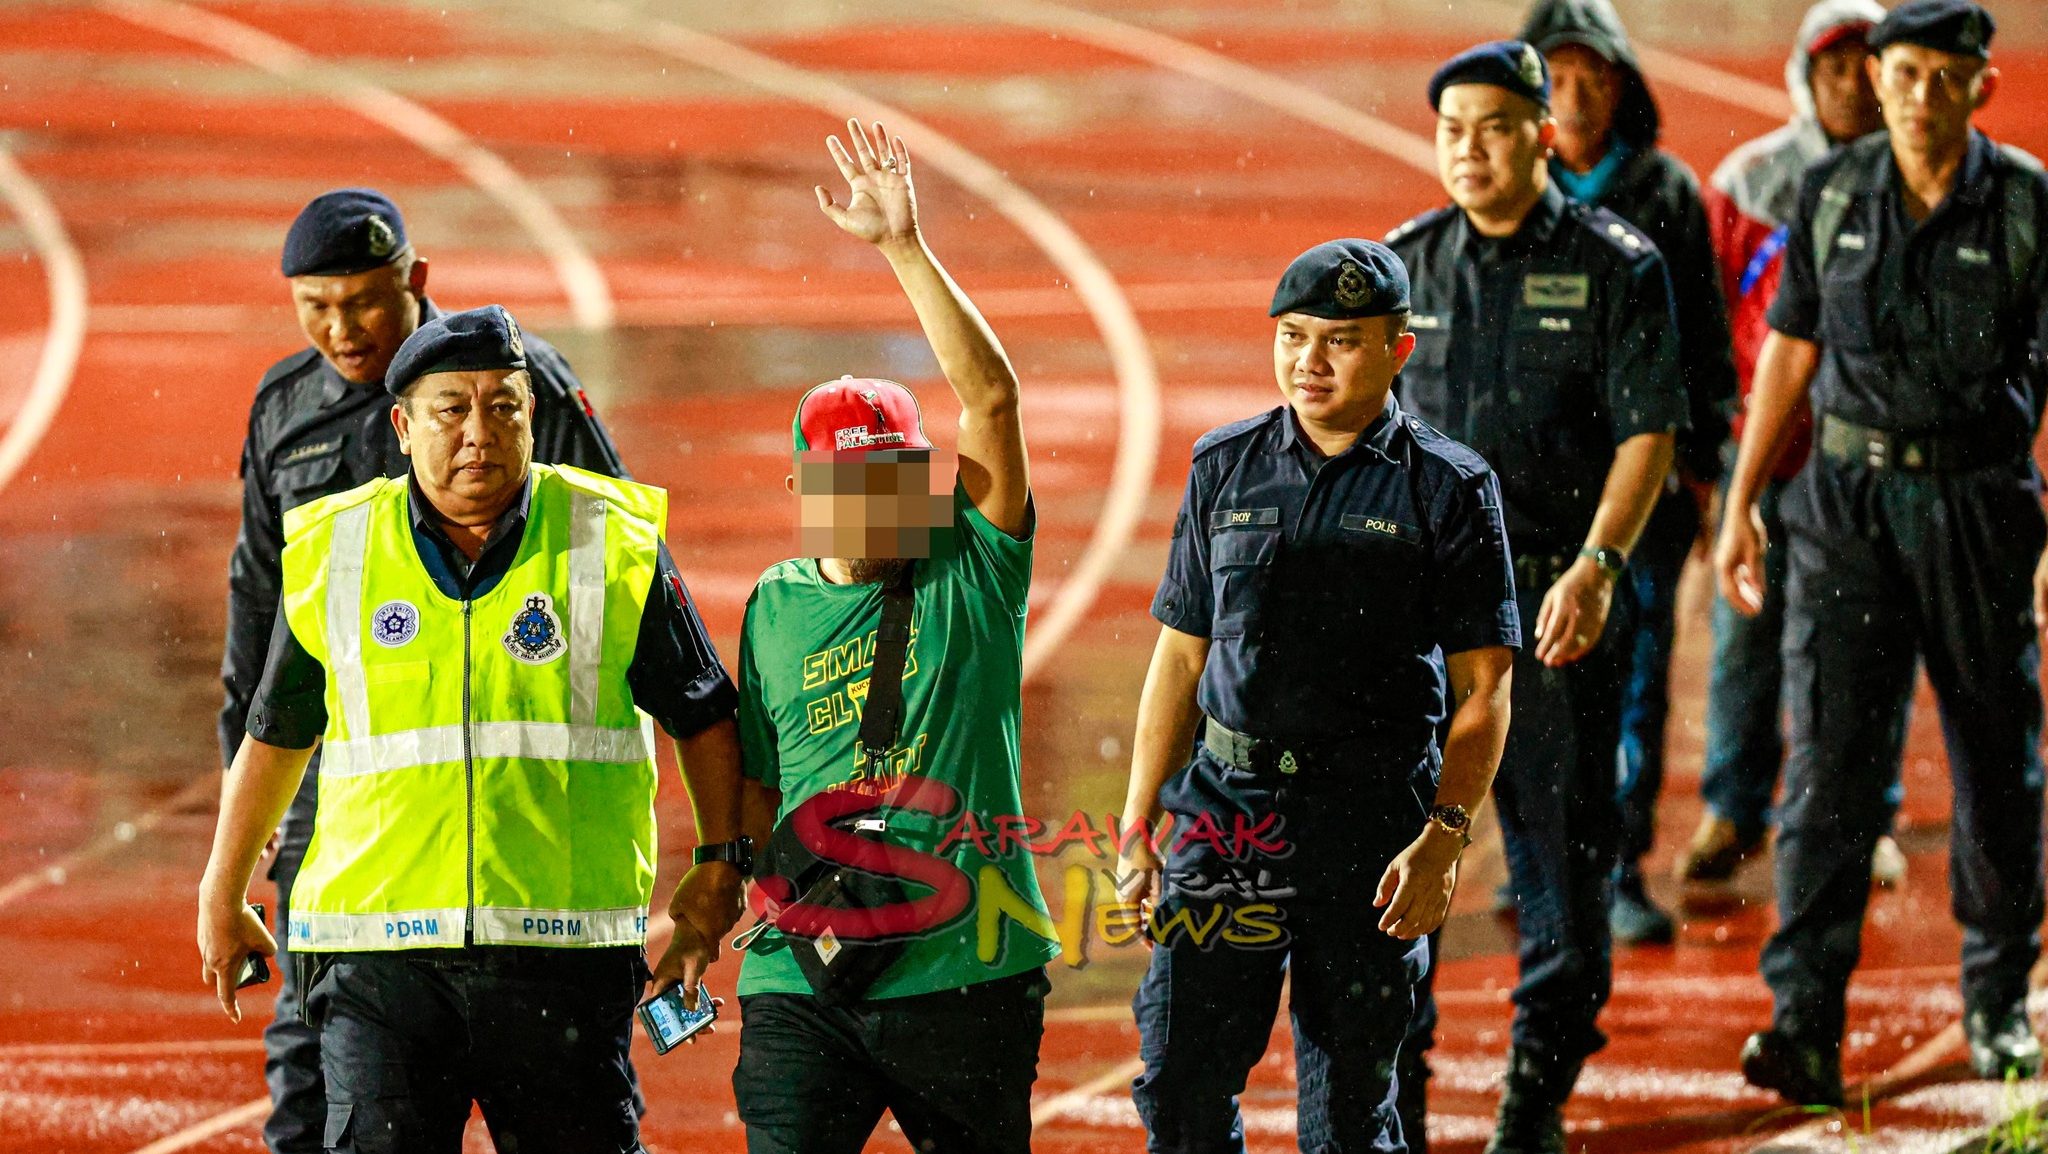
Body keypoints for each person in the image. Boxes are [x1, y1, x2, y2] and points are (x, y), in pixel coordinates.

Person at [196, 305, 748, 1153]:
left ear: (535, 417)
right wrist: (222, 888)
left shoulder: (609, 539)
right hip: (379, 964)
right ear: (403, 426)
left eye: (505, 407)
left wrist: (718, 864)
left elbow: (706, 714)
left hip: (559, 959)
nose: (479, 433)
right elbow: (276, 736)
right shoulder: (339, 550)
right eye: (452, 409)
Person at [218, 189, 630, 1154]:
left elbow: (613, 567)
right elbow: (256, 607)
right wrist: (246, 803)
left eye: (362, 301)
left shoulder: (518, 384)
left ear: (417, 281)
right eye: (314, 307)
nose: (340, 330)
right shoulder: (287, 410)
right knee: (315, 1082)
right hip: (343, 797)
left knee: (560, 1101)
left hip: (514, 805)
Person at [1115, 235, 1517, 1154]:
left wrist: (1444, 840)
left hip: (1368, 822)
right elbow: (1178, 661)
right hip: (1227, 816)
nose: (1309, 360)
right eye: (1293, 335)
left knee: (1346, 1114)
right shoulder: (1224, 465)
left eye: (1339, 340)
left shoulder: (1451, 487)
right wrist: (1140, 822)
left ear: (1398, 348)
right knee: (1180, 1082)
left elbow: (1485, 689)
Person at [1715, 0, 2048, 1104]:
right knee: (1826, 773)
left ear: (1976, 87)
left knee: (1992, 757)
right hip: (1843, 508)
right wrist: (1742, 500)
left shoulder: (2023, 204)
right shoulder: (1831, 192)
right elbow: (1786, 352)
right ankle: (1801, 1017)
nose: (1909, 93)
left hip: (1976, 502)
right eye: (1894, 72)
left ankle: (1995, 995)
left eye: (1935, 75)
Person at [727, 120, 1059, 1154]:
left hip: (964, 973)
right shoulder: (770, 604)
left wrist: (902, 248)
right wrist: (741, 883)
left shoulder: (972, 566)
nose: (876, 505)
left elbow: (991, 397)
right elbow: (755, 772)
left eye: (895, 480)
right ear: (800, 488)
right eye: (850, 484)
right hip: (800, 974)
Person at [1386, 41, 1688, 1154]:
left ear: (1542, 134)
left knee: (1561, 863)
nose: (1469, 147)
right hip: (1423, 618)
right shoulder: (1403, 267)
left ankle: (1534, 1096)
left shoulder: (1615, 263)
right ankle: (1396, 1104)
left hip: (1555, 599)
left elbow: (1647, 429)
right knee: (1399, 860)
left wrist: (1598, 566)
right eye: (1451, 128)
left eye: (1495, 125)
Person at [1517, 0, 1738, 945]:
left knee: (1635, 677)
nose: (1571, 98)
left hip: (1641, 484)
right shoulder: (1506, 186)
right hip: (1532, 485)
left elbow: (1705, 338)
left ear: (1622, 86)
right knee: (1522, 680)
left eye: (1590, 78)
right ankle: (1535, 865)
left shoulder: (1664, 190)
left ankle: (1618, 864)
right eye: (1554, 78)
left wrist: (1710, 467)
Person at [1685, 1, 1912, 890]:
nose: (1854, 82)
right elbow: (1706, 326)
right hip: (1767, 452)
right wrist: (1711, 462)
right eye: (1835, 66)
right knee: (1749, 637)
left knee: (1868, 646)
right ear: (1804, 77)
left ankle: (1871, 814)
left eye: (1869, 63)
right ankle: (1731, 809)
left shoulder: (1916, 178)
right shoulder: (1750, 182)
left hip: (1868, 460)